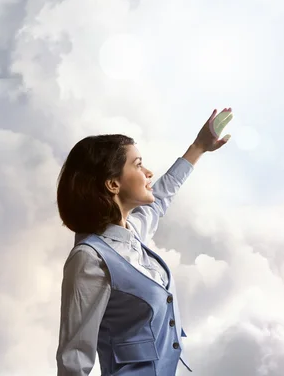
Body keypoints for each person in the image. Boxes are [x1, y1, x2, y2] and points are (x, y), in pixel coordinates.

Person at [55, 109, 231, 376]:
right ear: (113, 184)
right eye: (138, 165)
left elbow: (161, 196)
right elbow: (74, 359)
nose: (148, 172)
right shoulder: (89, 258)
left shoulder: (133, 234)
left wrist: (199, 147)